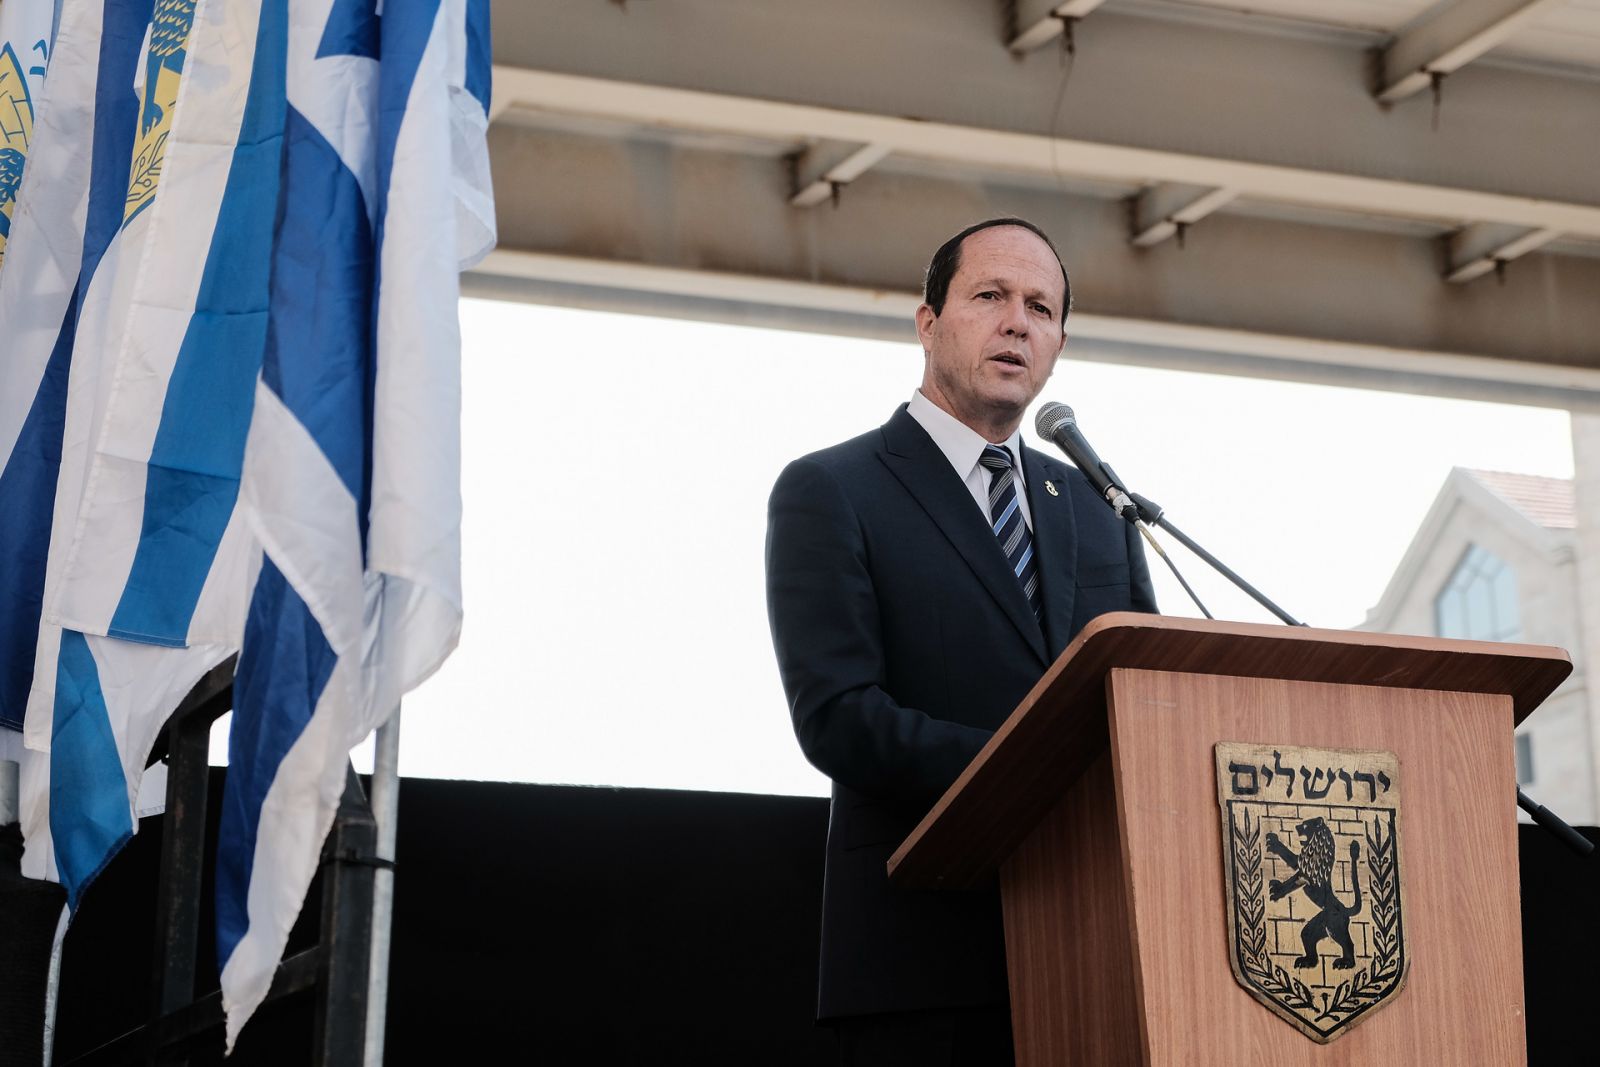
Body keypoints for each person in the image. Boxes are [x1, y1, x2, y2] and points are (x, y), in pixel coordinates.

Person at [764, 218, 1157, 1065]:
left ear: (1058, 344)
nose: (1017, 322)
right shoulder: (832, 489)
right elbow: (839, 716)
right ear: (928, 322)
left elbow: (1144, 706)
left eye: (1041, 308)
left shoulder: (1102, 509)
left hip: (1098, 955)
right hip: (924, 958)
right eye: (990, 296)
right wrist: (1035, 770)